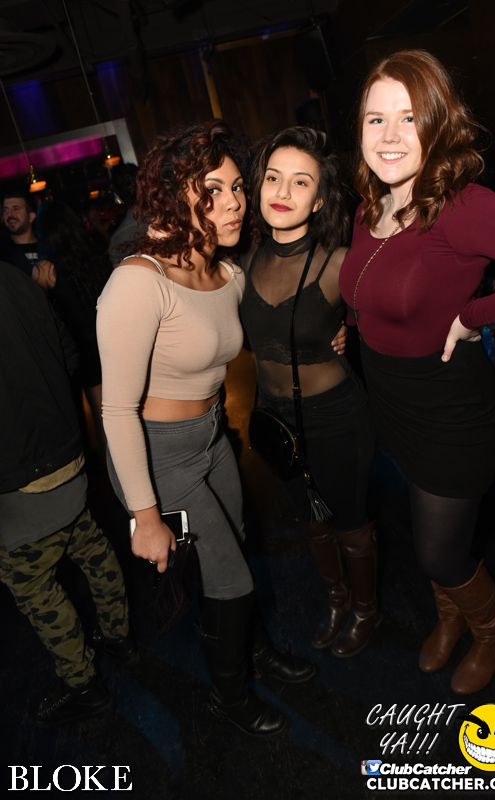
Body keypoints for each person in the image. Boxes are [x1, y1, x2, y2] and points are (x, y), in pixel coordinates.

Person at [96, 120, 315, 738]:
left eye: (238, 187)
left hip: (213, 439)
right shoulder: (138, 282)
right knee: (229, 576)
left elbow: (274, 326)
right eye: (212, 190)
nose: (234, 203)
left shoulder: (228, 274)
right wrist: (145, 516)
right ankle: (229, 695)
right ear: (175, 196)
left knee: (236, 549)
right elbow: (116, 411)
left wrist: (334, 336)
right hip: (158, 460)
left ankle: (254, 652)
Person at [340, 49, 495, 694]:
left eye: (410, 118)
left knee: (439, 550)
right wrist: (355, 322)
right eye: (376, 119)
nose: (390, 136)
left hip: (450, 407)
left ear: (439, 125)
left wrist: (476, 314)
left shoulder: (462, 205)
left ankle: (494, 633)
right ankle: (450, 618)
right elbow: (376, 287)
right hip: (392, 401)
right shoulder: (369, 206)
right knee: (427, 533)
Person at [239, 127, 378, 658]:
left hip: (336, 416)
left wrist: (351, 330)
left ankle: (366, 609)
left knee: (350, 522)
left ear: (319, 200)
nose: (282, 191)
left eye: (300, 182)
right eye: (273, 178)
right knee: (308, 519)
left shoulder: (337, 261)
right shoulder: (243, 262)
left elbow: (385, 314)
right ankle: (337, 599)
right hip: (276, 417)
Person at [0, 262, 138, 726]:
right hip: (66, 452)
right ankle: (120, 640)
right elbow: (68, 352)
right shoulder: (13, 277)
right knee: (92, 548)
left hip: (20, 476)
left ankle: (83, 685)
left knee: (33, 586)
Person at [32, 201, 112, 459]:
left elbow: (39, 317)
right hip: (111, 338)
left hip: (83, 349)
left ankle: (115, 477)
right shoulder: (95, 254)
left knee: (102, 415)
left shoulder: (45, 269)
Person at [0, 190, 44, 276]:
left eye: (16, 209)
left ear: (31, 216)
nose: (10, 214)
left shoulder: (47, 247)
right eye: (5, 210)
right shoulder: (3, 251)